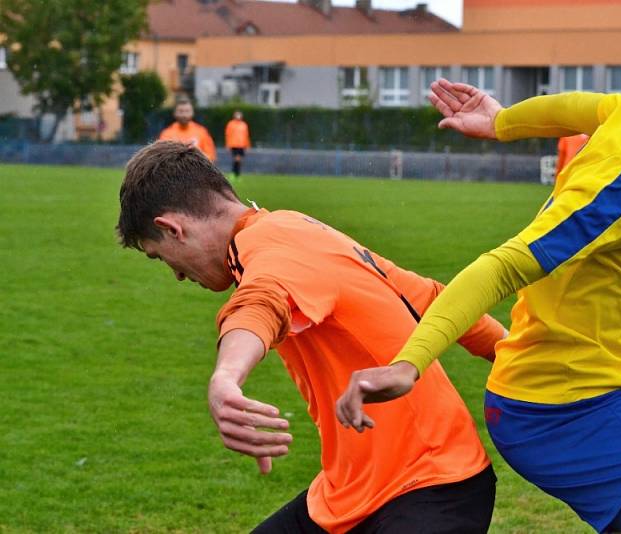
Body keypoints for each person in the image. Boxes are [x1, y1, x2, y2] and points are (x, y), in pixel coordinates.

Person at [337, 30, 621, 534]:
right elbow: (505, 265)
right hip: (568, 405)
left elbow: (587, 106)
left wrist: (503, 121)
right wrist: (410, 363)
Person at [116, 141, 506, 534]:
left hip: (431, 486)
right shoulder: (292, 229)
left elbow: (260, 303)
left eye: (160, 257)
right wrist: (513, 351)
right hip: (352, 494)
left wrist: (226, 376)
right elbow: (437, 301)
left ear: (172, 228)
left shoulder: (269, 246)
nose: (178, 275)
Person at [158, 98, 217, 162]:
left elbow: (211, 156)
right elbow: (162, 157)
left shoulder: (202, 132)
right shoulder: (166, 133)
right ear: (175, 113)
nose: (184, 115)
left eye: (187, 111)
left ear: (192, 112)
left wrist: (196, 155)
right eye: (181, 111)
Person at [225, 110, 251, 179]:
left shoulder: (244, 125)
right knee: (237, 159)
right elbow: (228, 134)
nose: (238, 116)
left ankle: (236, 174)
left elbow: (246, 135)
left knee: (239, 160)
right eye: (237, 115)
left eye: (239, 115)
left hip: (242, 145)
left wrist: (247, 145)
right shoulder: (231, 124)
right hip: (234, 144)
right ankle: (235, 174)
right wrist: (227, 144)